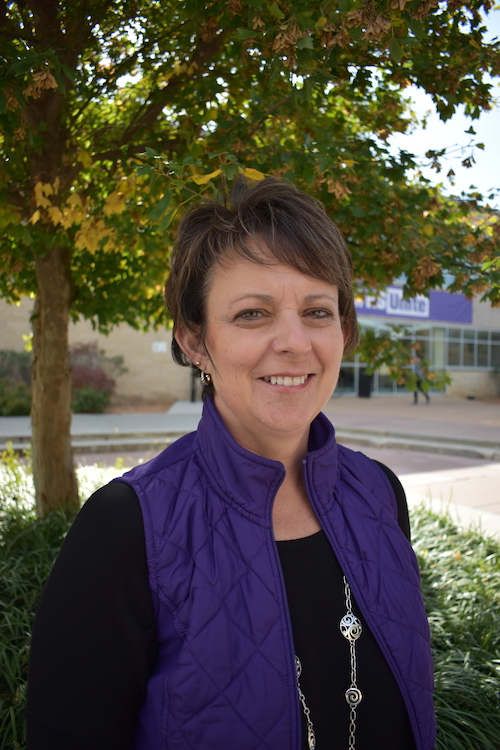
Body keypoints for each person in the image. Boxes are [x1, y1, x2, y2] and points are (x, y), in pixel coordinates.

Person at [26, 178, 435, 750]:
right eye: (252, 314)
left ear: (342, 331)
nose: (295, 341)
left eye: (318, 311)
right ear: (195, 341)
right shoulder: (126, 530)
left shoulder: (380, 493)